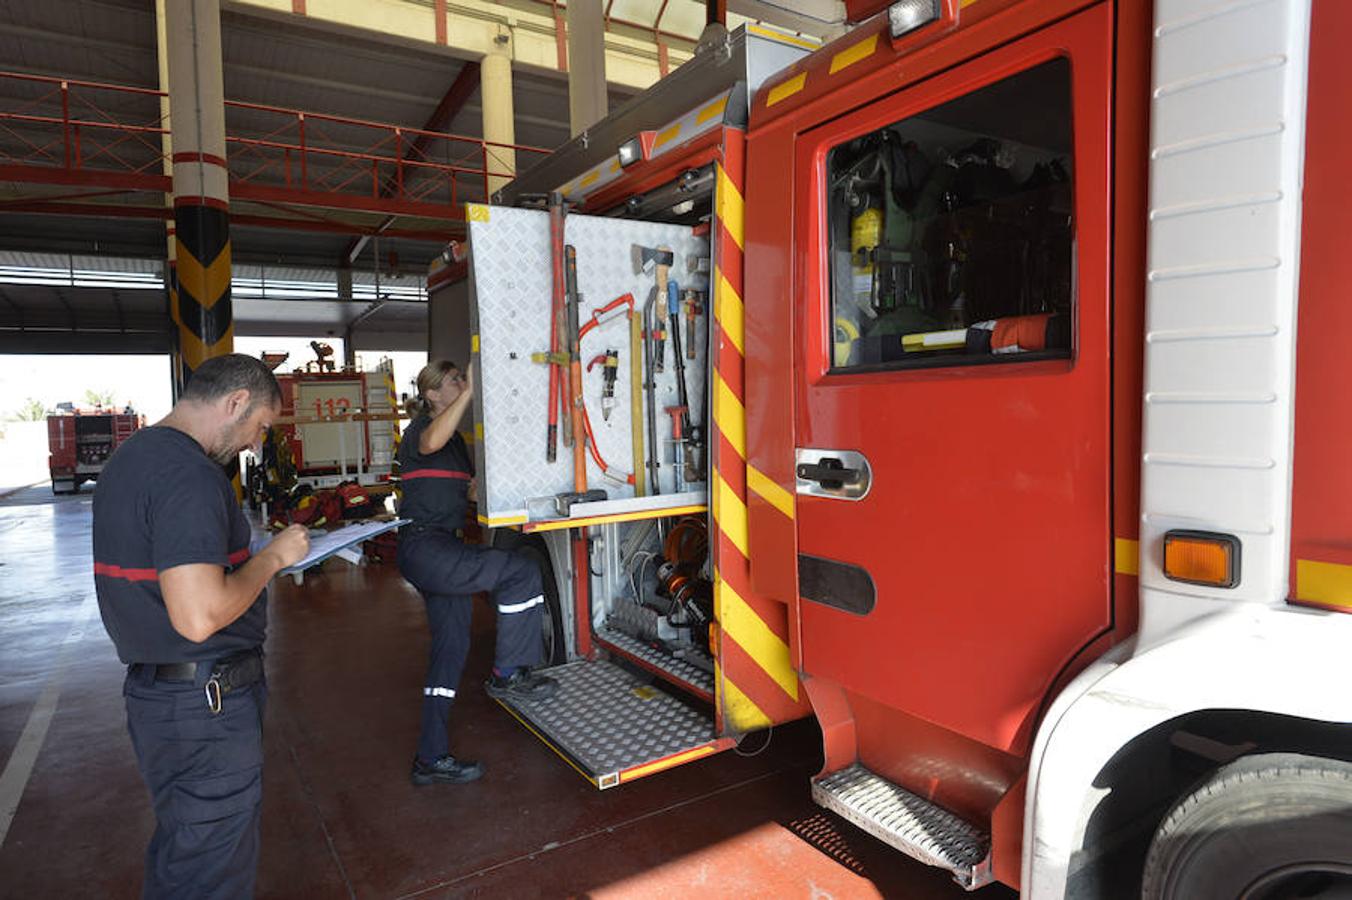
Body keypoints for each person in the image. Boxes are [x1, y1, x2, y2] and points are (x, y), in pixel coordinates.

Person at [92, 354, 310, 899]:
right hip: (204, 708)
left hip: (162, 700)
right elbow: (199, 616)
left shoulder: (132, 459)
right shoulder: (190, 475)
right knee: (210, 873)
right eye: (260, 427)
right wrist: (273, 559)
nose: (256, 446)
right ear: (235, 402)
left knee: (186, 855)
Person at [396, 359, 558, 787]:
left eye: (462, 379)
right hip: (425, 545)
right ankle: (508, 674)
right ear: (432, 394)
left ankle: (429, 759)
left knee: (450, 650)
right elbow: (430, 442)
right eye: (454, 381)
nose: (462, 384)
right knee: (521, 572)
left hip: (444, 543)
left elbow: (463, 489)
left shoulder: (458, 443)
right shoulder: (419, 431)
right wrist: (472, 390)